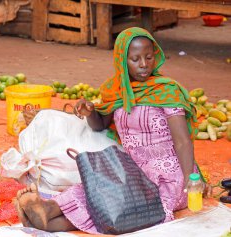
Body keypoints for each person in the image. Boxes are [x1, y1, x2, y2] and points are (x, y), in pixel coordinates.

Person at [14, 27, 199, 234]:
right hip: (134, 169)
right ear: (122, 61)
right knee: (98, 192)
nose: (144, 64)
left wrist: (191, 180)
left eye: (149, 57)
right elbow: (100, 125)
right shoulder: (117, 91)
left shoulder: (167, 91)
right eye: (135, 59)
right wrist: (90, 111)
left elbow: (183, 141)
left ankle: (44, 221)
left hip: (169, 175)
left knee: (131, 209)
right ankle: (48, 209)